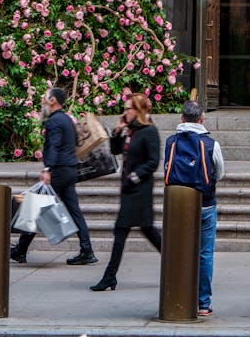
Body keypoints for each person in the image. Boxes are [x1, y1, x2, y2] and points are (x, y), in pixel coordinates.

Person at [11, 86, 97, 266]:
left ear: (53, 101)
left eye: (45, 98)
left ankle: (20, 250)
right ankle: (87, 250)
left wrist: (47, 169)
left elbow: (54, 146)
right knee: (74, 211)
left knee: (34, 207)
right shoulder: (67, 120)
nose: (42, 101)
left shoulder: (54, 122)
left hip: (58, 171)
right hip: (70, 170)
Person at [90, 93, 161, 291]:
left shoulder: (149, 131)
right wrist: (118, 130)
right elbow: (115, 150)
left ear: (138, 111)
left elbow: (153, 162)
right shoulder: (131, 131)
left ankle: (109, 277)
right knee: (146, 230)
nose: (125, 112)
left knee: (123, 231)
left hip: (140, 191)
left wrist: (135, 176)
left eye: (128, 109)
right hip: (129, 190)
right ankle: (175, 263)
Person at [164, 99, 225, 318]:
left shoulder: (171, 142)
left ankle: (177, 297)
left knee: (178, 251)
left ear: (182, 118)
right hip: (205, 203)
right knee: (205, 253)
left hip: (178, 207)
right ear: (202, 119)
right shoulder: (211, 144)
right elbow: (220, 173)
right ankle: (203, 303)